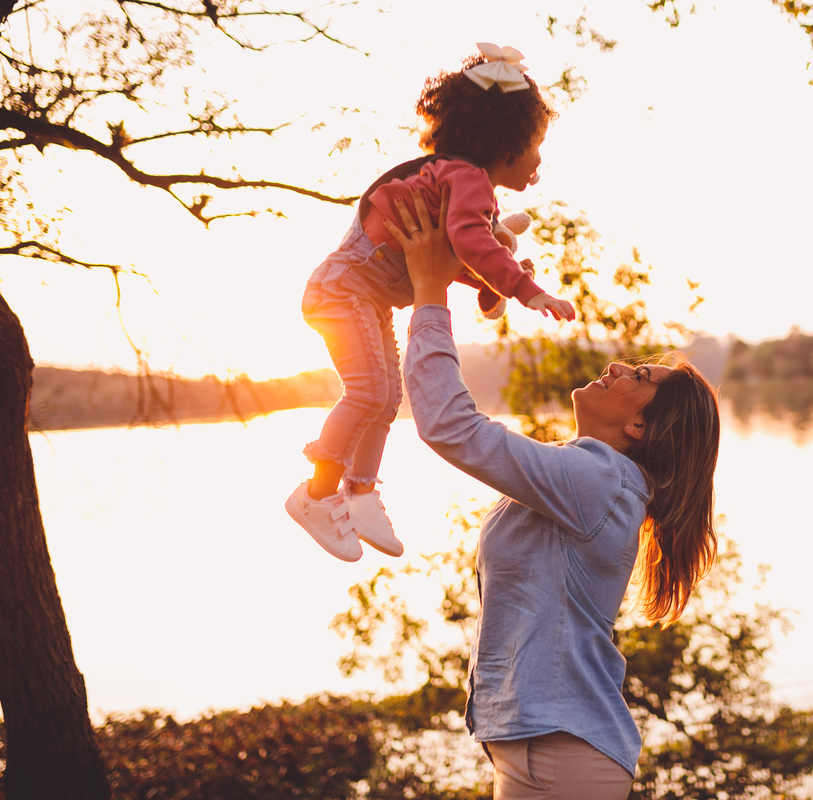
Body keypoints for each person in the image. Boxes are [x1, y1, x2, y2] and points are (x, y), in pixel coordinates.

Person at [387, 186, 722, 799]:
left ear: (640, 428)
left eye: (639, 376)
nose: (619, 366)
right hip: (546, 749)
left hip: (561, 752)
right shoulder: (589, 478)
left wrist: (429, 293)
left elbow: (452, 427)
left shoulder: (599, 480)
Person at [286, 44, 575, 563]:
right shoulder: (467, 180)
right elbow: (471, 241)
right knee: (369, 390)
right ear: (506, 141)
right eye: (536, 145)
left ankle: (361, 491)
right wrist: (528, 292)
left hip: (363, 298)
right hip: (344, 289)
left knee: (387, 395)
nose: (538, 161)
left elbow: (449, 255)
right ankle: (316, 493)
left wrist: (490, 282)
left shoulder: (449, 177)